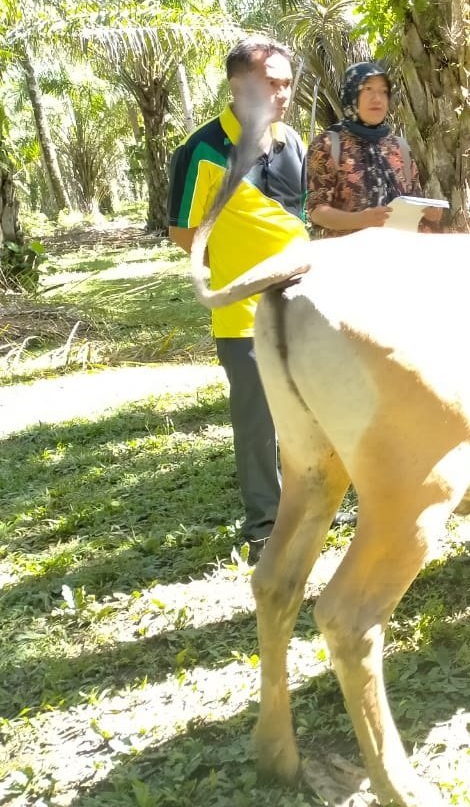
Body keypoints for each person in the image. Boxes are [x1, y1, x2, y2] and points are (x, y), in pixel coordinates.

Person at [167, 36, 308, 560]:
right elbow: (183, 232)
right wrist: (236, 264)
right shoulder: (202, 149)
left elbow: (298, 216)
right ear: (237, 85)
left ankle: (309, 507)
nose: (283, 92)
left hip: (305, 306)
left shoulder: (293, 142)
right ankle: (265, 527)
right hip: (241, 313)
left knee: (310, 411)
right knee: (257, 425)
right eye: (271, 81)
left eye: (287, 82)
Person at [306, 61, 431, 236]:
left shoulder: (399, 147)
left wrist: (428, 212)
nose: (377, 98)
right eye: (368, 89)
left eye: (383, 91)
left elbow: (414, 199)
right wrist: (361, 219)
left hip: (399, 254)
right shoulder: (328, 145)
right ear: (351, 94)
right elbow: (317, 211)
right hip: (348, 257)